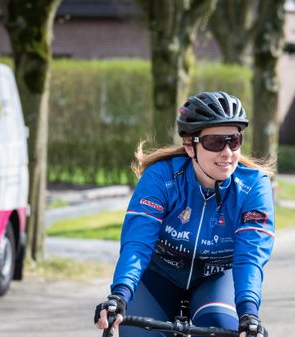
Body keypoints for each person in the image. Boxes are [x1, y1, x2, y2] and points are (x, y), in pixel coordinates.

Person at [94, 91, 275, 337]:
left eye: (234, 140)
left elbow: (250, 256)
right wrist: (119, 295)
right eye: (215, 142)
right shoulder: (161, 177)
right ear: (190, 145)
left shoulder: (254, 186)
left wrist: (248, 313)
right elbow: (137, 244)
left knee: (221, 327)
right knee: (136, 333)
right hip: (160, 275)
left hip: (216, 277)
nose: (227, 152)